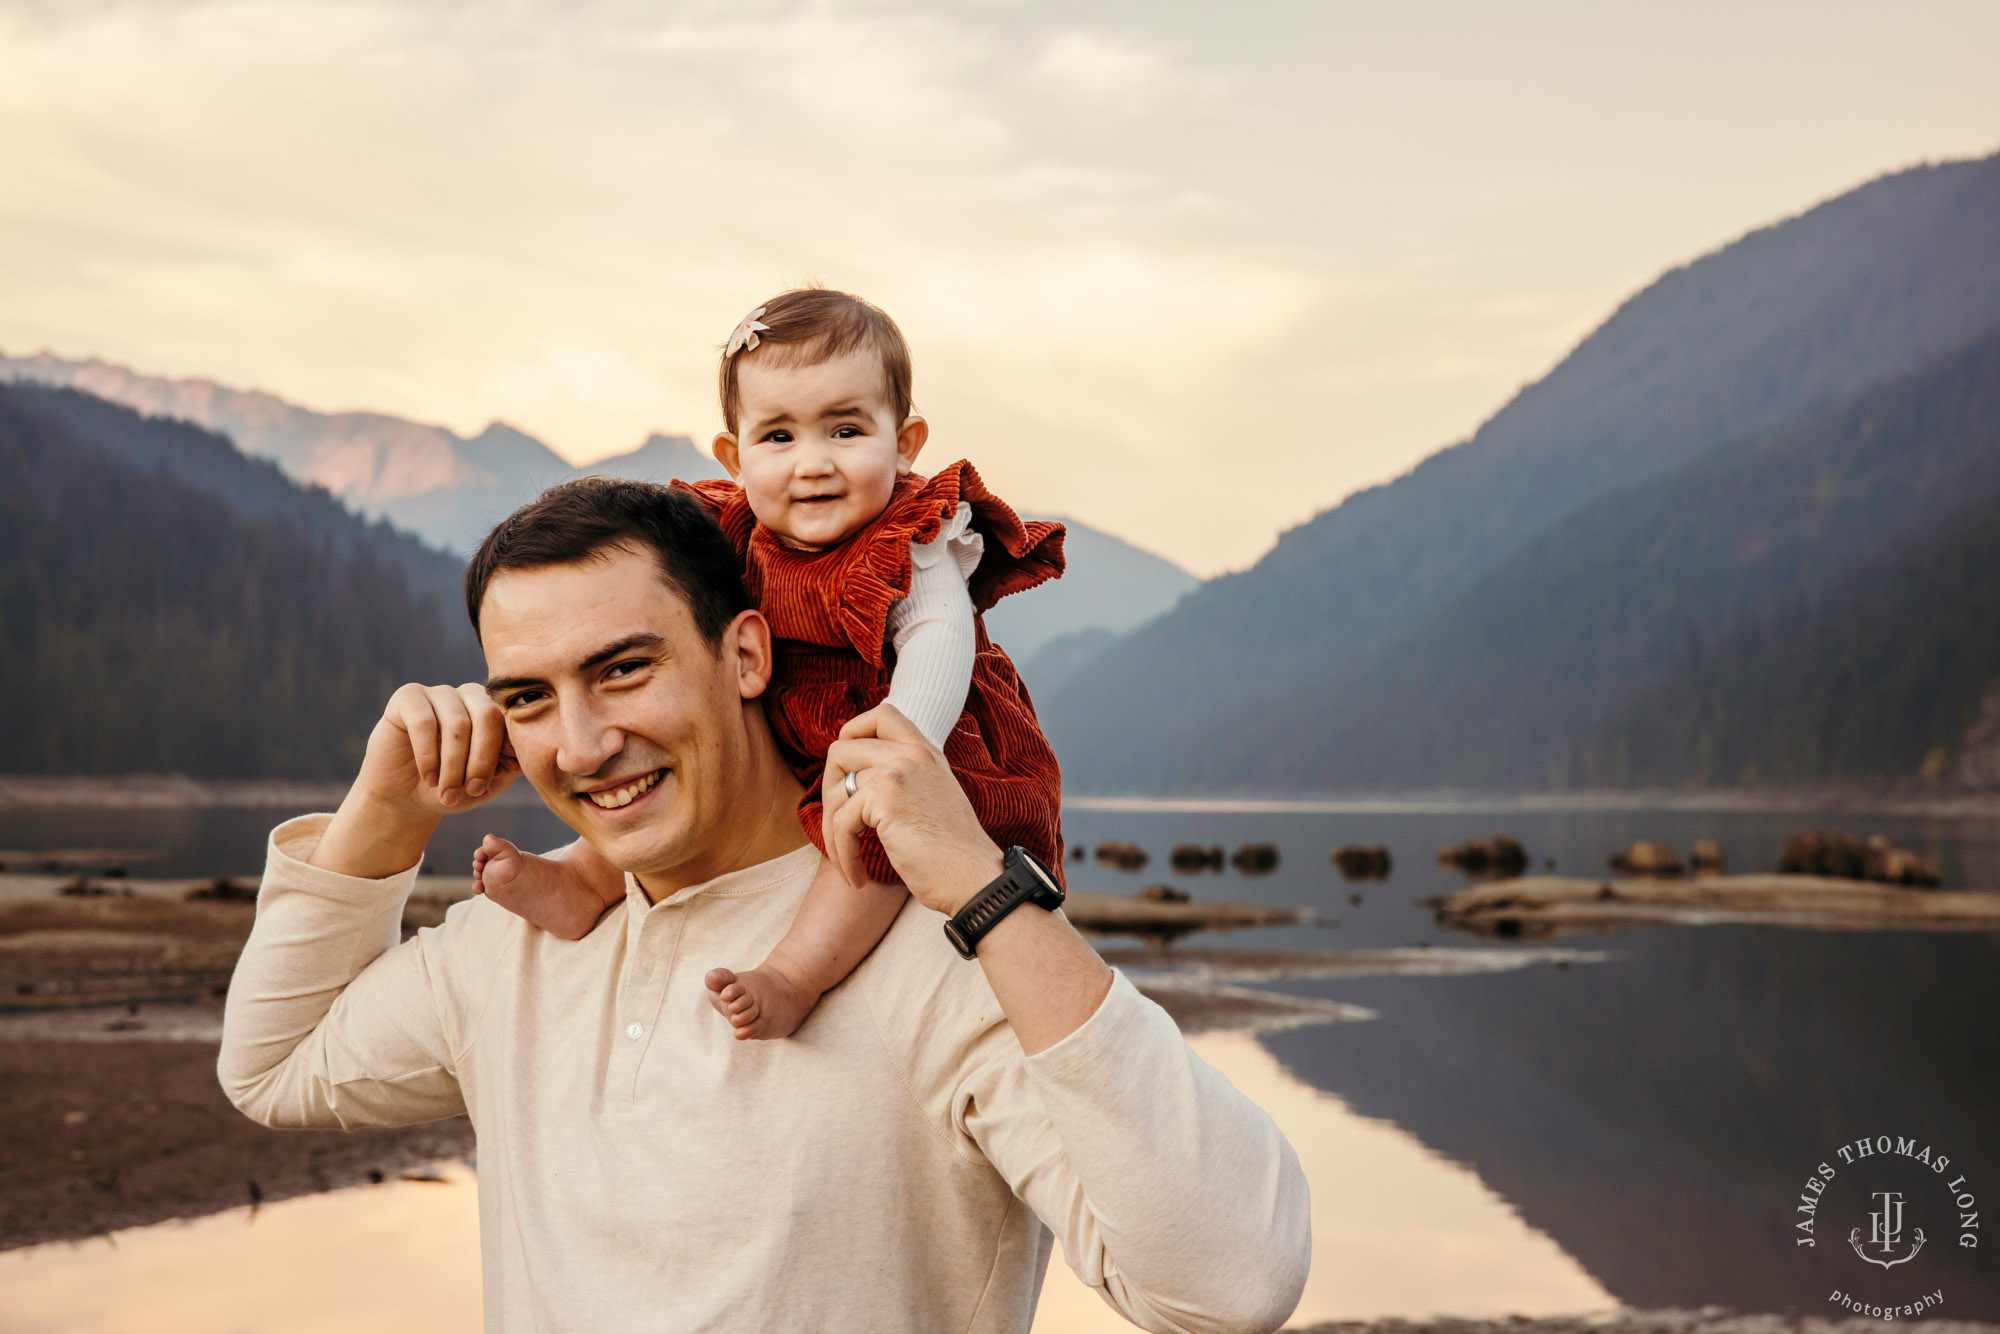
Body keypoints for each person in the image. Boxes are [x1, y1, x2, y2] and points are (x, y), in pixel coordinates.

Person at [217, 478, 1311, 1332]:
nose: (584, 741)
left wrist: (985, 886)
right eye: (528, 697)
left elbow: (1230, 1282)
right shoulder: (515, 942)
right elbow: (272, 1065)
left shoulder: (933, 946)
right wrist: (385, 810)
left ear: (743, 652)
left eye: (623, 668)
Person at [473, 287, 1066, 1042]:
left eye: (846, 430)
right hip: (794, 722)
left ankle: (794, 974)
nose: (812, 465)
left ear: (906, 441)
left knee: (872, 853)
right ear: (734, 453)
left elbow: (940, 640)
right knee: (641, 771)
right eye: (778, 438)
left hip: (912, 738)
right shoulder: (734, 524)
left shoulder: (915, 537)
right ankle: (584, 882)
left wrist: (891, 750)